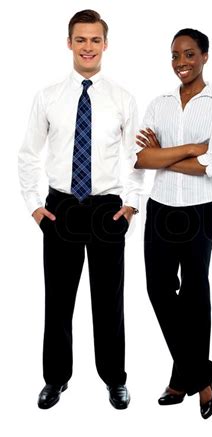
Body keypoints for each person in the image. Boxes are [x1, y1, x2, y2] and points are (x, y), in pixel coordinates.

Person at [18, 9, 142, 410]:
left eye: (95, 40)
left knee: (109, 303)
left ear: (105, 44)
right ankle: (55, 379)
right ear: (69, 43)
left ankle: (114, 379)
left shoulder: (121, 98)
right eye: (80, 39)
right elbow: (27, 154)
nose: (88, 47)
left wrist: (130, 205)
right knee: (58, 301)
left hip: (107, 210)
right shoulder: (48, 96)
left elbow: (136, 156)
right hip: (62, 209)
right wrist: (36, 207)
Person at [134, 28, 212, 420]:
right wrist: (192, 148)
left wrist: (164, 154)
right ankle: (203, 376)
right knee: (158, 289)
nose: (181, 63)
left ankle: (182, 379)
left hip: (198, 211)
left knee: (195, 294)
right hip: (160, 208)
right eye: (175, 55)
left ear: (205, 56)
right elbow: (140, 159)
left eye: (189, 54)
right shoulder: (159, 103)